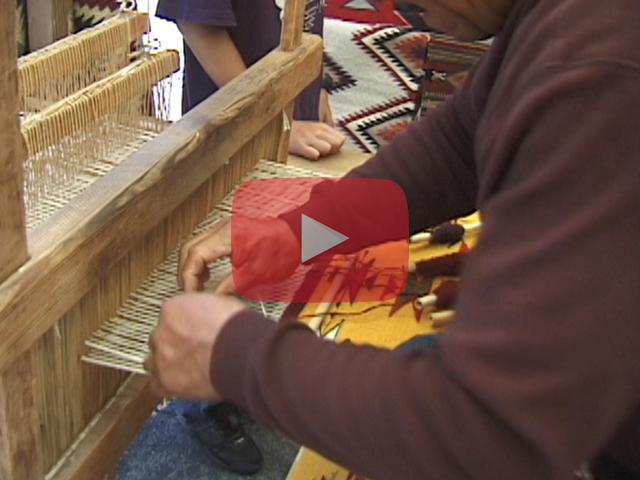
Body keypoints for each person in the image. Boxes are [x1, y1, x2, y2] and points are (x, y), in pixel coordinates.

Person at [144, 0, 640, 479]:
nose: (397, 8)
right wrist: (295, 236)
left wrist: (236, 357)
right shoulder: (562, 22)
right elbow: (453, 149)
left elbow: (491, 433)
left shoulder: (599, 66)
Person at [156, 0, 346, 161]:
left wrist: (317, 84)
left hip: (292, 131)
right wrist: (271, 124)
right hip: (234, 145)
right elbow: (197, 26)